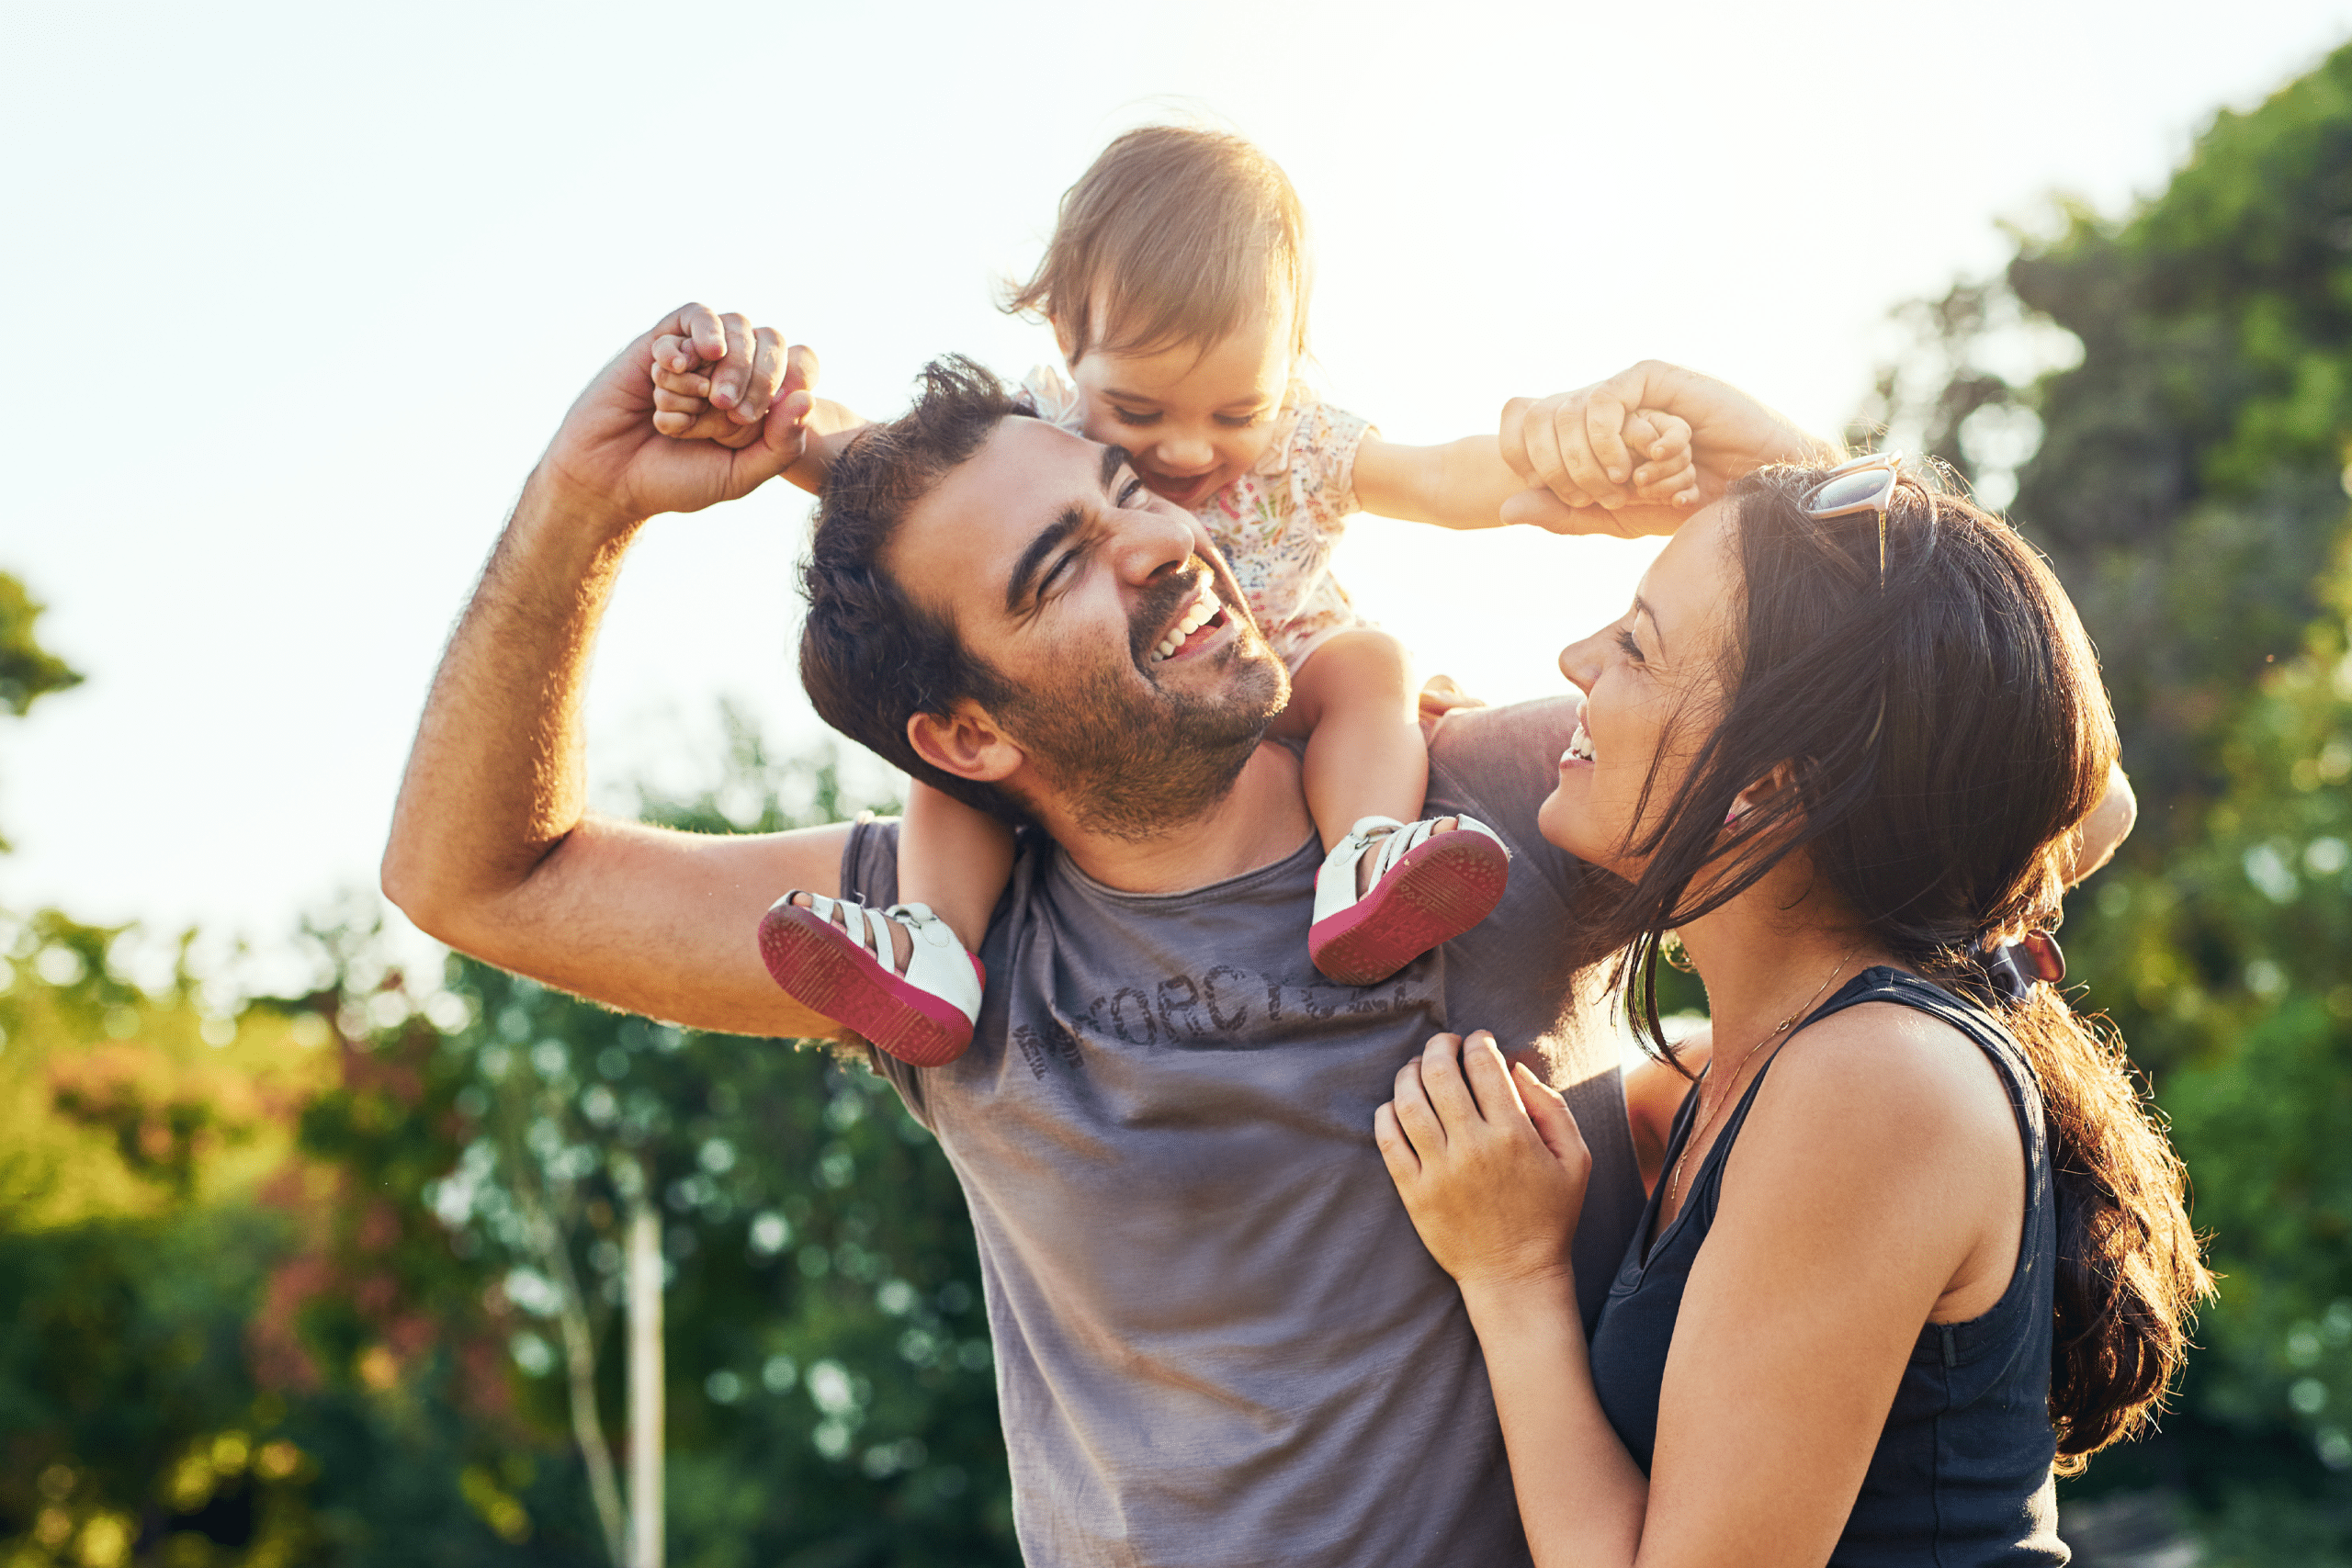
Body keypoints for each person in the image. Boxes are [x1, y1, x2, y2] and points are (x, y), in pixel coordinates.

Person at [383, 303, 1739, 1567]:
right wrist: (584, 501)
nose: (1161, 543)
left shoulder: (1496, 804)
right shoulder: (932, 944)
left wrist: (1769, 465)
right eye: (1059, 568)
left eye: (1130, 495)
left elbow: (1914, 776)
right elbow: (480, 878)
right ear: (969, 736)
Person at [1375, 363, 2207, 1567]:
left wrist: (1512, 1273)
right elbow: (2053, 782)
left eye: (1639, 645)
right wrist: (1802, 499)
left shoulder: (1876, 1081)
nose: (1572, 655)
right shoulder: (1745, 1070)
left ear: (1768, 782)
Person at [648, 126, 1699, 1066]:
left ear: (1290, 365)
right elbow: (861, 451)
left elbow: (1437, 476)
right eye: (1139, 409)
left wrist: (1568, 469)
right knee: (970, 750)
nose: (1189, 450)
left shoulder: (1304, 443)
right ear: (1067, 335)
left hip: (1278, 675)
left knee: (1370, 665)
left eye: (1237, 409)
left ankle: (1366, 855)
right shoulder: (1039, 436)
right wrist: (756, 405)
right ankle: (932, 944)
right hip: (1118, 707)